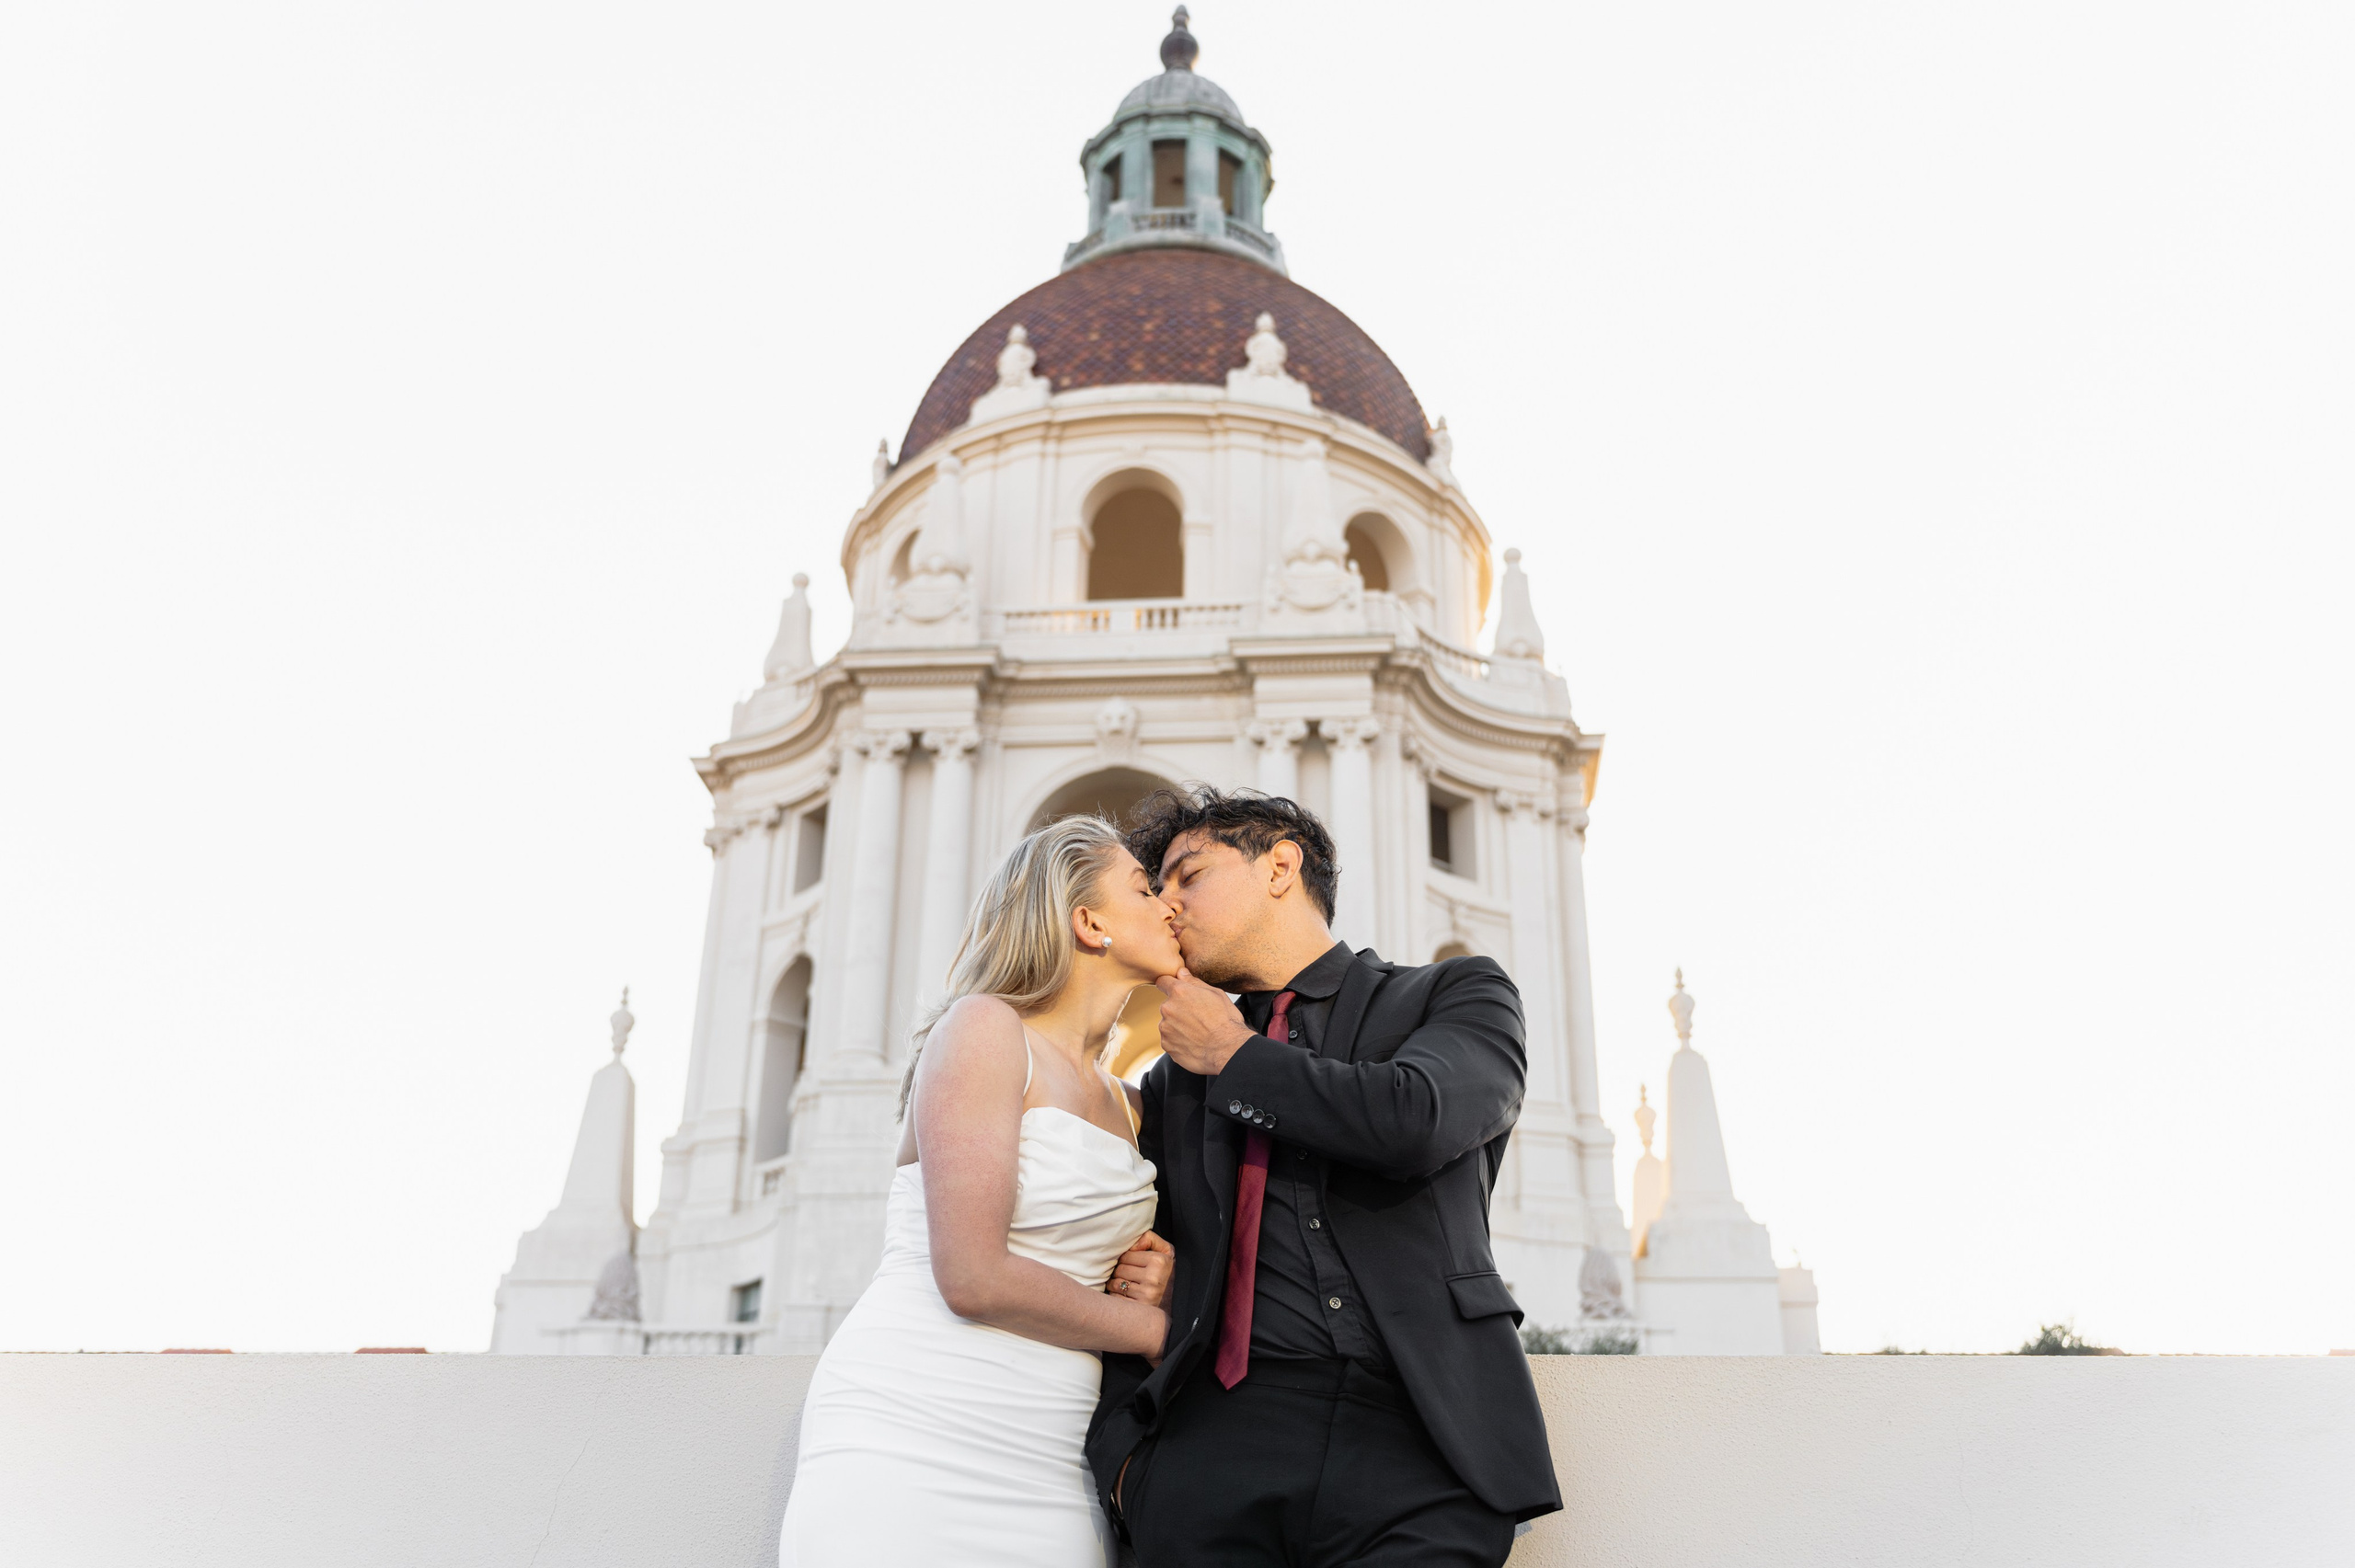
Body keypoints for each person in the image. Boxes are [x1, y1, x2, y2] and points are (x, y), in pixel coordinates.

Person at [1086, 786, 1563, 1568]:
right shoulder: (1171, 1085)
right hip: (1209, 1453)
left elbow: (1419, 1119)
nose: (1165, 904)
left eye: (1186, 875)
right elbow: (1116, 1261)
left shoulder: (1454, 993)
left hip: (1423, 1449)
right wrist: (1127, 1466)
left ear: (1280, 865)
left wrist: (1236, 1057)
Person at [780, 817, 1184, 1567]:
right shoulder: (984, 1030)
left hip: (1054, 1455)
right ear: (1088, 921)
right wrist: (1163, 1332)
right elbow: (972, 1275)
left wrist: (1161, 1279)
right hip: (907, 1427)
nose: (1169, 904)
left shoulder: (1137, 1106)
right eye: (1143, 887)